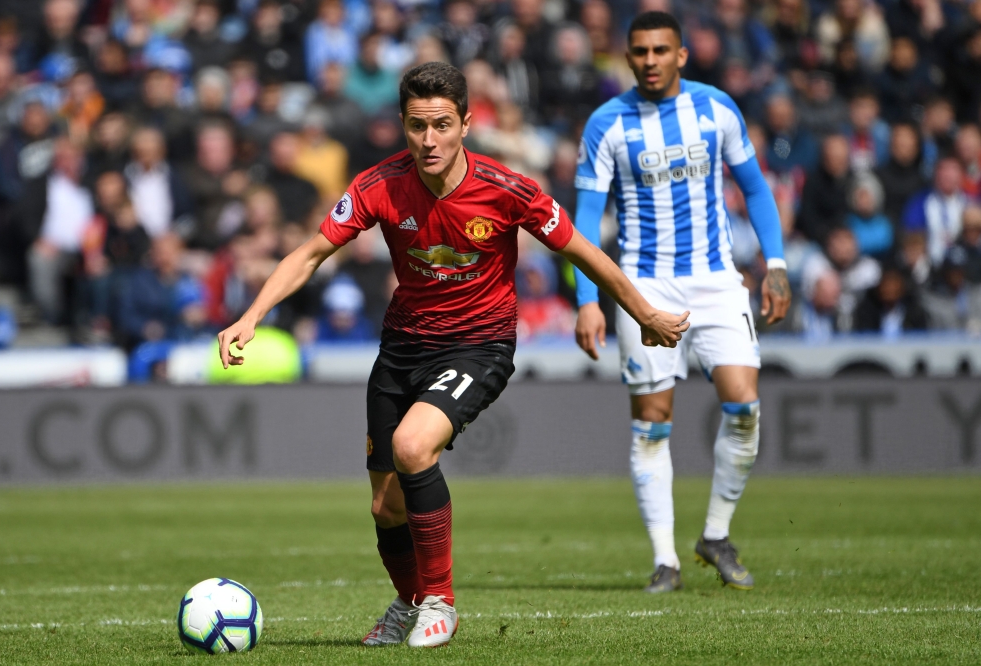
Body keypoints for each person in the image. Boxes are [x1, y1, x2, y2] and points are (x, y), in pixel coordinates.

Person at [217, 61, 689, 648]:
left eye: (442, 125)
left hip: (478, 345)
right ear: (403, 124)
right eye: (417, 126)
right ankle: (409, 603)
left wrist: (643, 313)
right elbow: (312, 253)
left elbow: (583, 251)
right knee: (385, 507)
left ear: (466, 123)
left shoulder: (507, 189)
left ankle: (440, 602)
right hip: (402, 347)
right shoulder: (378, 185)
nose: (429, 139)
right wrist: (251, 315)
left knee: (413, 446)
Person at [572, 12, 791, 594]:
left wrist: (776, 265)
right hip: (643, 289)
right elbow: (586, 219)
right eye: (640, 51)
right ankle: (665, 559)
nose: (650, 60)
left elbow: (755, 188)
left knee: (743, 406)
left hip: (717, 281)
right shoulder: (606, 123)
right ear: (627, 57)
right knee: (652, 424)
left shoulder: (717, 108)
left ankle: (715, 534)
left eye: (660, 50)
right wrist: (588, 299)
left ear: (681, 55)